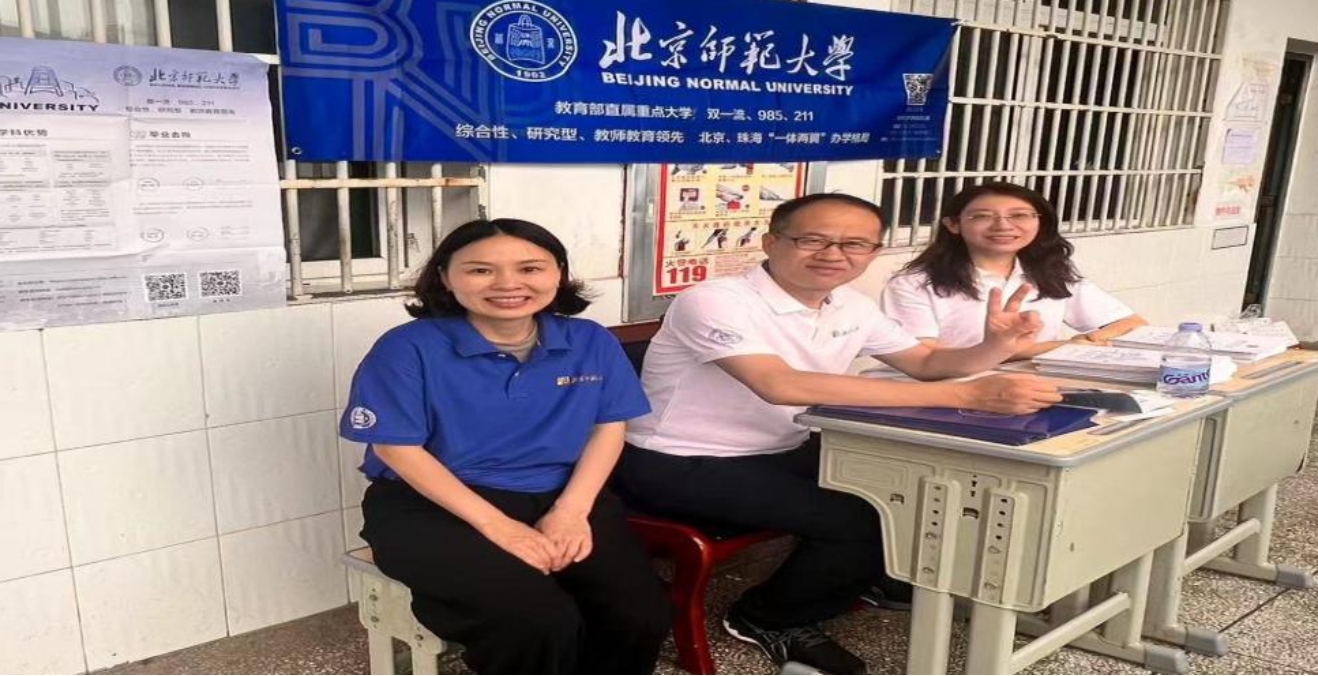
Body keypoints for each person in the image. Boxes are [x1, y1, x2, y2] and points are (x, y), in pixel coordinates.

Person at [613, 193, 1062, 675]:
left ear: (873, 253)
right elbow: (779, 384)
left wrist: (994, 347)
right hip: (675, 460)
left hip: (782, 448)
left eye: (854, 244)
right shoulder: (714, 300)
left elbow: (926, 362)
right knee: (860, 520)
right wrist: (967, 396)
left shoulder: (851, 305)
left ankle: (858, 577)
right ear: (770, 242)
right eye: (812, 240)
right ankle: (767, 618)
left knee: (906, 488)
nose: (833, 254)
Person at [341, 219, 670, 675]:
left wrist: (572, 510)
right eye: (480, 270)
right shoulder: (407, 348)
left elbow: (609, 426)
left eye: (530, 268)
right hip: (433, 504)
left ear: (558, 274)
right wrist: (500, 528)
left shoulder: (590, 340)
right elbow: (397, 449)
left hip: (563, 493)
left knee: (638, 615)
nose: (508, 284)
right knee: (534, 621)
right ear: (445, 277)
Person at [882, 181, 1146, 357]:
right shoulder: (913, 284)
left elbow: (1131, 323)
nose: (1003, 226)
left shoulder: (1051, 273)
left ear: (1040, 223)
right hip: (946, 392)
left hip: (1035, 386)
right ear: (953, 224)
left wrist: (1090, 341)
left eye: (1019, 215)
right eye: (982, 216)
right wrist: (1063, 347)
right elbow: (924, 357)